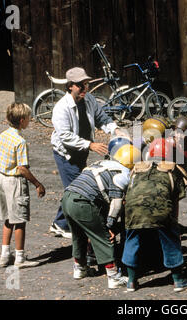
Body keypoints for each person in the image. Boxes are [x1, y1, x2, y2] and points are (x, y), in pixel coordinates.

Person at [50, 67, 127, 238]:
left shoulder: (89, 99)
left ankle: (60, 223)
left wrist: (115, 129)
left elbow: (102, 118)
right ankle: (66, 226)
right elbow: (65, 136)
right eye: (80, 86)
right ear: (70, 86)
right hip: (66, 154)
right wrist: (90, 145)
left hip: (82, 151)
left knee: (76, 187)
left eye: (86, 85)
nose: (85, 89)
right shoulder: (61, 108)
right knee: (76, 190)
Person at [61, 143, 141, 288]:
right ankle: (113, 276)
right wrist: (109, 225)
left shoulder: (100, 163)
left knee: (78, 235)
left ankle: (80, 269)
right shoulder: (122, 173)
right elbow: (116, 204)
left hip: (67, 197)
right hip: (83, 201)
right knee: (103, 237)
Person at [121, 138, 187, 292]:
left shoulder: (137, 168)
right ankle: (178, 280)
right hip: (160, 209)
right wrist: (175, 225)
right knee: (170, 241)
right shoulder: (173, 169)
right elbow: (175, 201)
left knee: (132, 240)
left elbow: (129, 193)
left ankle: (131, 281)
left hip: (133, 209)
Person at [0, 102, 46, 268]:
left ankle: (4, 255)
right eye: (28, 118)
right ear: (22, 120)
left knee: (8, 218)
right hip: (14, 182)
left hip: (1, 179)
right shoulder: (20, 141)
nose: (30, 120)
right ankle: (20, 257)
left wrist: (1, 170)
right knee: (19, 220)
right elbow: (22, 168)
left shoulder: (2, 135)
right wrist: (37, 183)